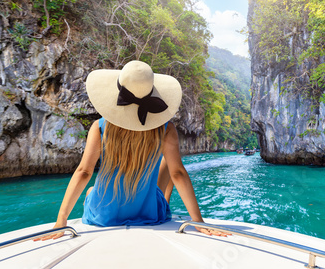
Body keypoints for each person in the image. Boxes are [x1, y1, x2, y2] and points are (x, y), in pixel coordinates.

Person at [36, 61, 228, 240]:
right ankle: (162, 205)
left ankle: (154, 202)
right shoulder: (166, 129)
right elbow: (177, 173)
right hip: (148, 214)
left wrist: (61, 221)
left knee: (91, 191)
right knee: (169, 163)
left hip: (104, 215)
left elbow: (84, 172)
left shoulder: (100, 127)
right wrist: (197, 221)